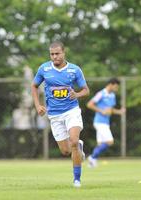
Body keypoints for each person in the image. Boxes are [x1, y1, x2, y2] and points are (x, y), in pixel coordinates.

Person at [31, 41, 89, 187]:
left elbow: (86, 90)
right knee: (65, 151)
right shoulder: (44, 69)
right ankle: (78, 148)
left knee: (74, 142)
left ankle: (77, 180)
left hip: (71, 111)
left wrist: (76, 94)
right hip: (55, 115)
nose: (55, 57)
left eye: (57, 54)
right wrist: (38, 105)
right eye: (52, 54)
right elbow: (34, 86)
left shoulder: (74, 70)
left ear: (64, 53)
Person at [86, 78, 125, 168]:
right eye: (116, 86)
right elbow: (89, 104)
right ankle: (92, 157)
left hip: (105, 123)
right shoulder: (101, 94)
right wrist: (101, 111)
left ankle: (92, 163)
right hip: (99, 122)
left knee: (100, 144)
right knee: (109, 141)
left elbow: (110, 110)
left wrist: (119, 111)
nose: (116, 89)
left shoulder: (112, 96)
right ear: (110, 84)